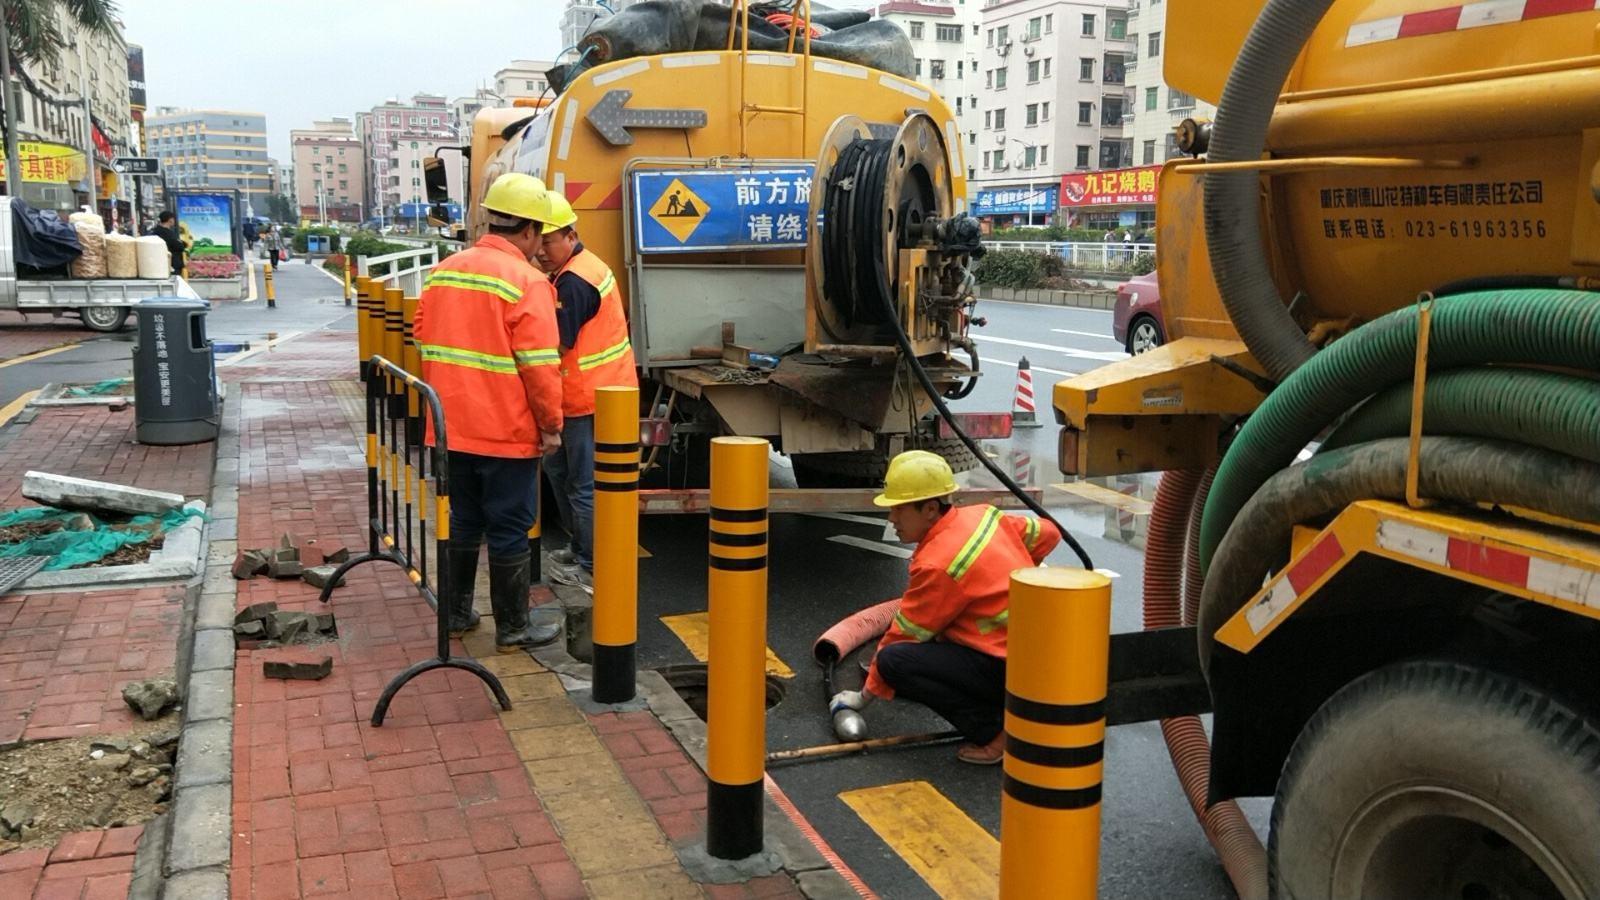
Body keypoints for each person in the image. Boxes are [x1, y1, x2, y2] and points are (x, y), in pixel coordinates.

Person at [413, 173, 566, 652]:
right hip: (505, 429)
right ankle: (514, 629)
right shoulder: (528, 282)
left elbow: (420, 332)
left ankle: (456, 613)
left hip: (448, 426)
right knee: (508, 526)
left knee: (464, 519)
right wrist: (552, 427)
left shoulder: (446, 270)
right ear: (528, 231)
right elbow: (540, 366)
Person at [829, 451, 1061, 764]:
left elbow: (904, 636)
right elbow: (1048, 533)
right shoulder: (983, 515)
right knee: (938, 643)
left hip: (1009, 667)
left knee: (895, 663)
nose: (892, 519)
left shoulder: (937, 564)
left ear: (929, 509)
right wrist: (1015, 573)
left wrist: (862, 697)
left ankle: (994, 735)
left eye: (898, 509)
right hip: (1047, 656)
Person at [530, 191, 637, 593]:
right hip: (586, 395)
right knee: (563, 476)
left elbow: (556, 347)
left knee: (582, 484)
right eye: (536, 240)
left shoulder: (575, 281)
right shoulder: (575, 270)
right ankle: (579, 550)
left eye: (549, 240)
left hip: (589, 398)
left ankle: (591, 564)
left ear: (571, 235)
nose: (541, 250)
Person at [151, 211, 185, 276]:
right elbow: (179, 247)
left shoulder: (155, 231)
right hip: (172, 264)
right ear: (170, 220)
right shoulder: (168, 233)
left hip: (159, 264)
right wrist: (181, 243)